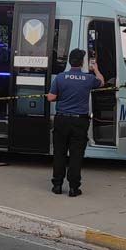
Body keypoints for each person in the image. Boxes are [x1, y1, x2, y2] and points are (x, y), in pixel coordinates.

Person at [45, 48, 104, 197]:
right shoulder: (88, 78)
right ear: (82, 62)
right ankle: (73, 188)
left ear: (70, 61)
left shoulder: (60, 77)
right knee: (76, 155)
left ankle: (57, 185)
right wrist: (96, 69)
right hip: (79, 121)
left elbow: (51, 98)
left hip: (62, 120)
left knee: (59, 153)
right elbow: (102, 82)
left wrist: (63, 97)